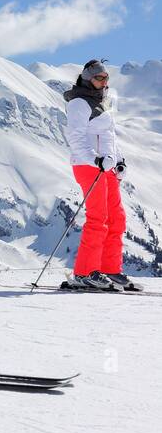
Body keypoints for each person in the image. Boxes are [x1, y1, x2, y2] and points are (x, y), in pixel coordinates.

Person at [63, 59, 135, 290]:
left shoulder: (101, 103)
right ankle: (85, 272)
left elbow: (108, 136)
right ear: (87, 79)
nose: (103, 82)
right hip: (89, 166)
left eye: (106, 78)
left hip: (107, 167)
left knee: (117, 218)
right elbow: (76, 137)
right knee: (98, 218)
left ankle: (110, 269)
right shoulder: (79, 103)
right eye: (99, 78)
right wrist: (95, 159)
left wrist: (119, 160)